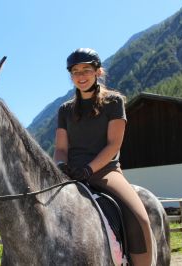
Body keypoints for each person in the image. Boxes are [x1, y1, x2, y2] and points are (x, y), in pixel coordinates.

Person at [53, 48, 153, 266]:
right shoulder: (65, 110)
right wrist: (61, 166)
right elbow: (61, 148)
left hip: (105, 171)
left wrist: (88, 169)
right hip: (70, 174)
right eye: (75, 71)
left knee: (139, 218)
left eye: (86, 70)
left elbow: (113, 145)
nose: (80, 76)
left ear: (98, 71)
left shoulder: (114, 102)